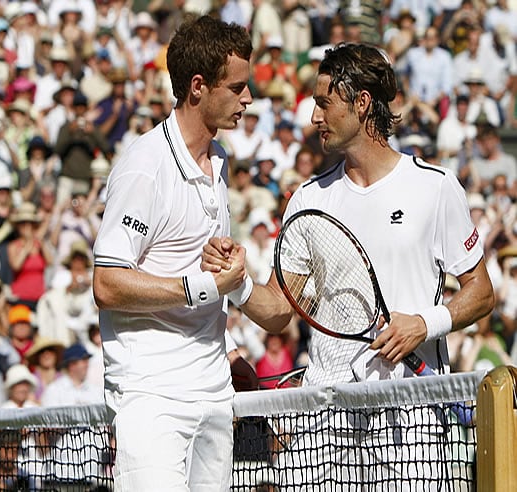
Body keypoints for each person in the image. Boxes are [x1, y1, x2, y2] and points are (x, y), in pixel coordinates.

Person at [202, 43, 495, 487]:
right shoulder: (308, 199)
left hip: (411, 423)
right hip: (327, 422)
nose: (313, 117)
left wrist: (424, 323)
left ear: (361, 103)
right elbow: (281, 311)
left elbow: (481, 291)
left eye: (323, 103)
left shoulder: (435, 188)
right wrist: (239, 284)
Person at [92, 15, 251, 491]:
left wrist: (231, 353)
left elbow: (185, 265)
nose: (248, 99)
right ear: (198, 86)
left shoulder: (217, 161)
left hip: (213, 393)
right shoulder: (145, 166)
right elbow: (108, 283)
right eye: (238, 88)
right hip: (153, 397)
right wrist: (206, 286)